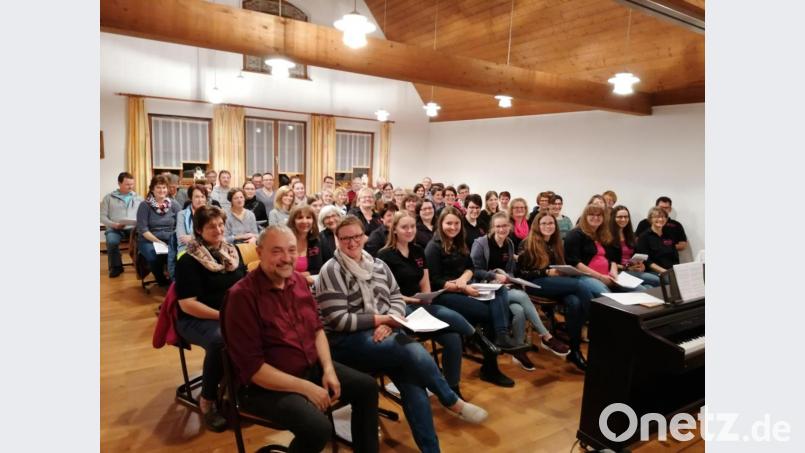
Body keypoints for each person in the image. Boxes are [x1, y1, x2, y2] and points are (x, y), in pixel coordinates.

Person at [317, 216, 489, 453]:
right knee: (407, 347)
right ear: (337, 240)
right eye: (345, 238)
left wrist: (391, 322)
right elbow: (339, 320)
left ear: (364, 237)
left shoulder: (377, 264)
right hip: (345, 342)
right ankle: (450, 400)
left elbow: (396, 297)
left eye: (356, 236)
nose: (352, 242)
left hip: (382, 333)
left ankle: (432, 450)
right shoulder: (331, 270)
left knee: (412, 381)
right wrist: (384, 320)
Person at [223, 225, 380, 453]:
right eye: (276, 251)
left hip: (308, 368)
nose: (286, 258)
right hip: (263, 387)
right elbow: (254, 369)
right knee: (317, 428)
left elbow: (317, 330)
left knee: (366, 387)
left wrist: (328, 369)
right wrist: (306, 388)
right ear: (259, 253)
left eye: (291, 250)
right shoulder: (241, 297)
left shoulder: (298, 281)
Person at [377, 212, 500, 399]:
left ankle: (452, 388)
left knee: (453, 338)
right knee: (448, 315)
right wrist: (413, 300)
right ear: (394, 229)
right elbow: (385, 293)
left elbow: (425, 281)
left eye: (412, 227)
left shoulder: (418, 250)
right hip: (400, 307)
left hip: (421, 303)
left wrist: (427, 296)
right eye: (404, 227)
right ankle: (480, 340)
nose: (409, 231)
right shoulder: (384, 255)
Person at [426, 206, 523, 387]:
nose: (453, 227)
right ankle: (491, 366)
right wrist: (462, 288)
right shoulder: (434, 247)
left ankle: (500, 339)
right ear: (441, 224)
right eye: (449, 223)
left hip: (464, 287)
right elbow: (434, 280)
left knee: (500, 290)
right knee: (491, 314)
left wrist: (464, 280)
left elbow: (470, 267)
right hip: (444, 295)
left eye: (456, 223)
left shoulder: (460, 243)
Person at [175, 205, 247, 431]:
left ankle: (240, 387)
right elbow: (187, 304)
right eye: (211, 226)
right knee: (220, 340)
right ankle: (207, 400)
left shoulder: (232, 252)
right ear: (199, 230)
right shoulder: (188, 260)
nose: (218, 230)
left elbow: (245, 285)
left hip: (229, 314)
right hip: (195, 318)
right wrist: (224, 316)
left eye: (220, 224)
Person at [471, 212, 570, 371]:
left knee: (519, 311)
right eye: (498, 226)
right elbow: (474, 270)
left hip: (503, 288)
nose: (502, 229)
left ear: (509, 227)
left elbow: (510, 270)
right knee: (523, 296)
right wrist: (493, 276)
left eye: (505, 226)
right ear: (492, 228)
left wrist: (510, 279)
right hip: (484, 289)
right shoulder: (481, 243)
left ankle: (518, 350)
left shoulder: (509, 243)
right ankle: (546, 336)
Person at [516, 211, 595, 371]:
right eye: (544, 223)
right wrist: (546, 272)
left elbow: (560, 266)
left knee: (575, 302)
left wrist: (564, 271)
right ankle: (597, 320)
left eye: (551, 223)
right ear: (537, 226)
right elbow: (522, 273)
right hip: (535, 284)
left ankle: (575, 350)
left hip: (555, 284)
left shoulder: (556, 243)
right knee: (580, 285)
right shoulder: (527, 243)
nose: (548, 226)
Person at [564, 204, 647, 298]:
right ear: (585, 217)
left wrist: (614, 273)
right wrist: (600, 277)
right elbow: (575, 263)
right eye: (592, 214)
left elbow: (611, 259)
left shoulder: (602, 234)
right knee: (608, 299)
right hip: (586, 276)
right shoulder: (575, 234)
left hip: (608, 275)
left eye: (599, 215)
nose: (596, 217)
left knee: (642, 290)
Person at [136, 174, 181, 286]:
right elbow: (143, 229)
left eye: (164, 187)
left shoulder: (174, 204)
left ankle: (175, 279)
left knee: (181, 254)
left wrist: (174, 238)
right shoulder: (144, 205)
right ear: (152, 189)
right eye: (158, 187)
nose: (162, 190)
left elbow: (181, 223)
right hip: (149, 239)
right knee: (153, 257)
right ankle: (161, 280)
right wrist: (158, 241)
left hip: (170, 238)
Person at [101, 171, 142, 278]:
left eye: (132, 184)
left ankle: (141, 266)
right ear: (119, 183)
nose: (130, 187)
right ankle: (116, 267)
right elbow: (102, 217)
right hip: (114, 228)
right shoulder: (108, 198)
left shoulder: (139, 198)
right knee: (112, 241)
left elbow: (143, 215)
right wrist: (114, 224)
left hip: (133, 228)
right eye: (127, 184)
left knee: (143, 240)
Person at [607, 205, 660, 287]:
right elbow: (608, 262)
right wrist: (626, 268)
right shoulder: (607, 236)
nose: (623, 219)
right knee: (657, 281)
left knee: (650, 286)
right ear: (613, 218)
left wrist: (641, 266)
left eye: (626, 217)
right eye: (620, 217)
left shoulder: (630, 235)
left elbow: (636, 255)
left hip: (632, 270)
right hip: (619, 272)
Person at [636, 207, 680, 274]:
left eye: (663, 217)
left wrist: (676, 271)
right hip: (654, 273)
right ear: (650, 219)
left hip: (671, 271)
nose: (660, 219)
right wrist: (665, 272)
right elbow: (647, 261)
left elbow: (675, 257)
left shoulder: (669, 235)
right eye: (657, 217)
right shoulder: (644, 237)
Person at [288, 205, 323, 285]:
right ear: (293, 221)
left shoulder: (315, 241)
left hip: (307, 285)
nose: (304, 221)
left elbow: (317, 269)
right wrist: (300, 277)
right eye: (300, 218)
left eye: (308, 217)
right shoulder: (284, 241)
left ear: (313, 221)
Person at [175, 184, 209, 258]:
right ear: (191, 198)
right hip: (186, 250)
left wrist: (192, 238)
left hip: (208, 249)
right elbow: (181, 239)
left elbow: (212, 237)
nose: (200, 200)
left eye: (202, 196)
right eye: (197, 197)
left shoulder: (211, 214)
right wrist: (202, 238)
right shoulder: (181, 214)